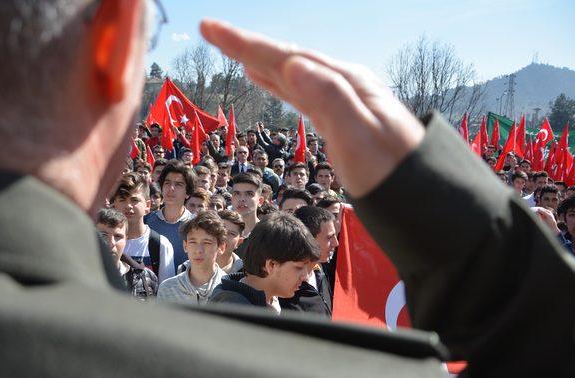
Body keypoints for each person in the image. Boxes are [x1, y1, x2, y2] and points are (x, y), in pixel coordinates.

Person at [200, 18, 575, 374]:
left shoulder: (271, 302)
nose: (308, 274)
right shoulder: (233, 315)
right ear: (270, 265)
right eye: (300, 268)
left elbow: (546, 343)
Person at [209, 212, 319, 314]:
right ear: (271, 265)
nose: (305, 277)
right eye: (299, 267)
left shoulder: (268, 300)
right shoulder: (237, 314)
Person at [111, 172, 175, 284]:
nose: (128, 206)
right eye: (122, 200)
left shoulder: (160, 244)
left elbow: (166, 293)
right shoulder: (107, 242)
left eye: (134, 200)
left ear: (148, 205)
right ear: (114, 205)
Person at [158, 211, 227, 304]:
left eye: (207, 243)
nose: (198, 250)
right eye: (193, 242)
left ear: (221, 247)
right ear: (185, 246)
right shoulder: (167, 288)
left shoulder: (230, 290)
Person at [280, 206, 338, 317]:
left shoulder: (320, 272)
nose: (336, 243)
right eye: (329, 237)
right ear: (309, 239)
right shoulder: (284, 286)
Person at [96, 208, 158, 298]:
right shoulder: (76, 276)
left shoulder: (146, 278)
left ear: (126, 240)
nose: (111, 243)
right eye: (103, 235)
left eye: (118, 236)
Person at [146, 161, 196, 269]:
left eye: (178, 184)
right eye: (167, 183)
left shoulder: (197, 225)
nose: (171, 188)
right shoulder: (146, 222)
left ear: (187, 193)